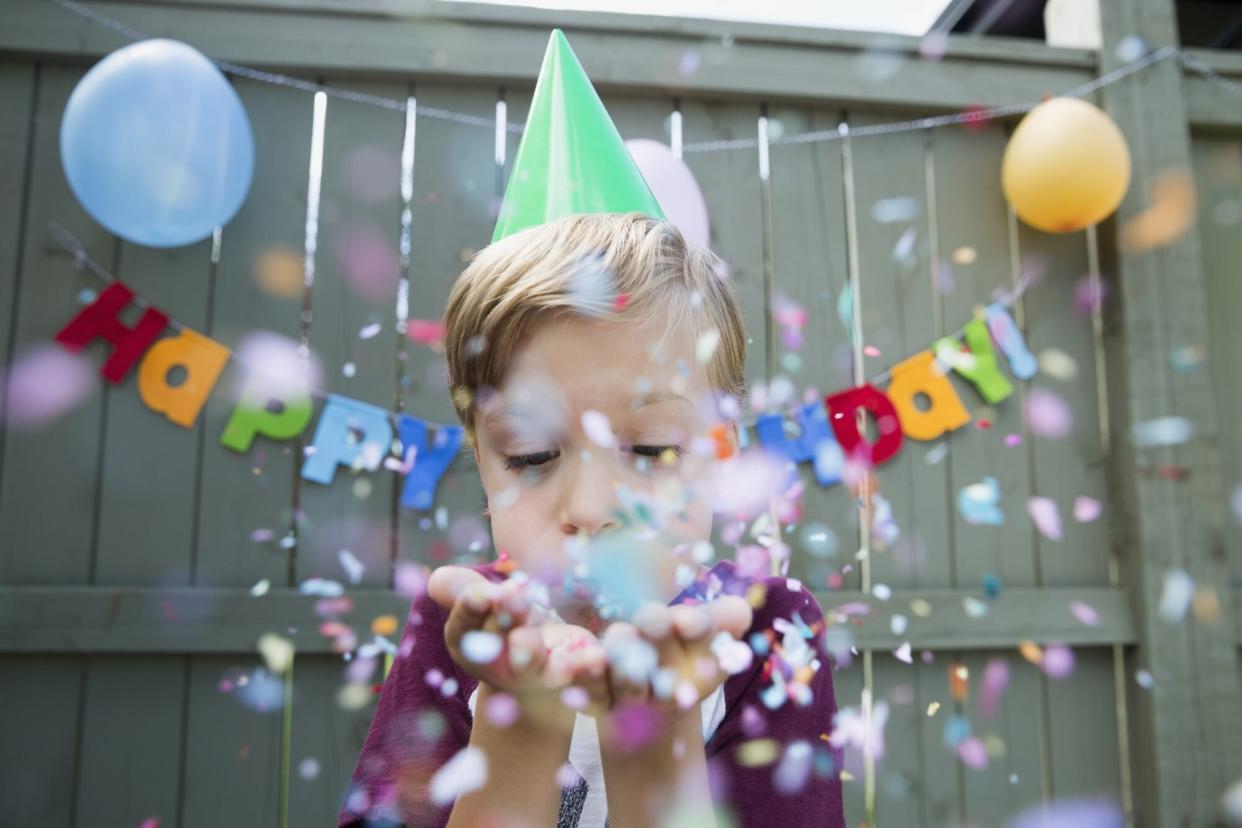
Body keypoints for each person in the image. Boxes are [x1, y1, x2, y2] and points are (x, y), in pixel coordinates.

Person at [338, 29, 845, 828]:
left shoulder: (768, 629)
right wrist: (518, 727)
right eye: (532, 455)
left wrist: (658, 748)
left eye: (650, 450)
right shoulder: (459, 628)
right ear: (483, 461)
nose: (592, 505)